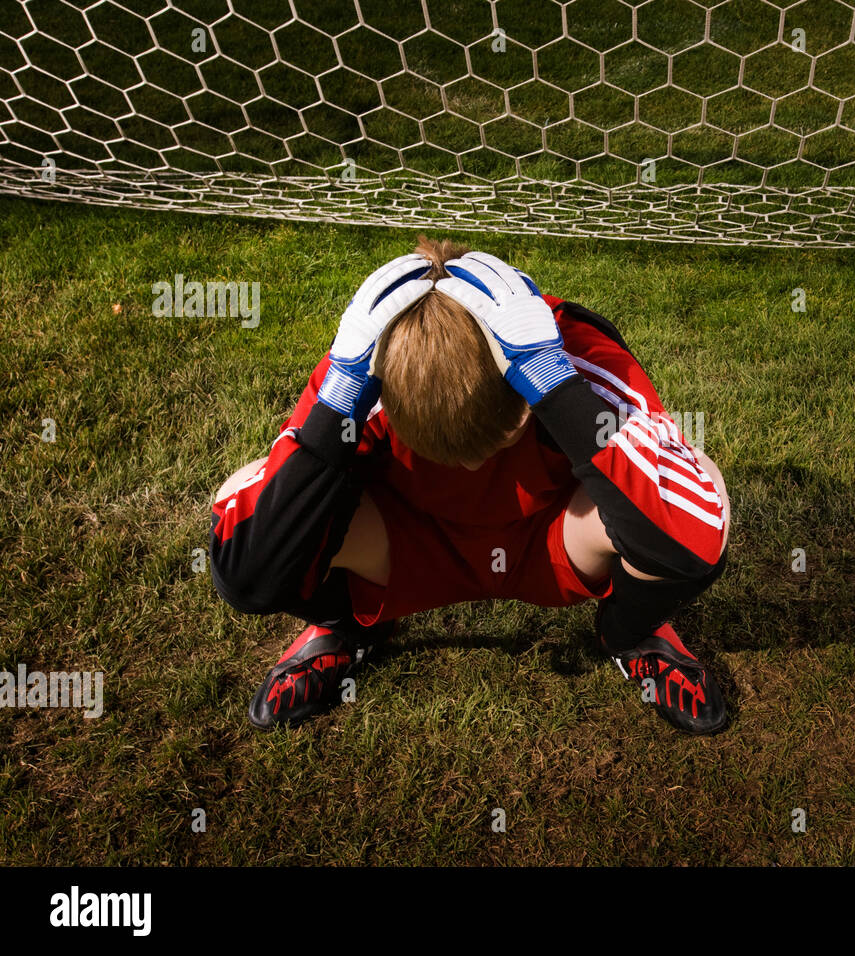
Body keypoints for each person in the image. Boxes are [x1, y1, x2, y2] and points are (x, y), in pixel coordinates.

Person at [210, 238, 731, 735]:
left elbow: (698, 526)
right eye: (443, 451)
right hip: (405, 549)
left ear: (525, 388)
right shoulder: (363, 371)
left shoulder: (573, 355)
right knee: (258, 506)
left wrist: (556, 387)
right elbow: (243, 565)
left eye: (493, 443)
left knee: (696, 489)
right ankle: (344, 627)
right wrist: (339, 399)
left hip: (552, 541)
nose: (471, 465)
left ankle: (631, 634)